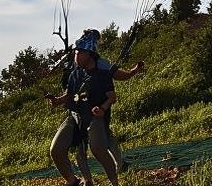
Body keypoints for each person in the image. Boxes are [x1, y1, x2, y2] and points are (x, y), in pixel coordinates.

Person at [65, 30, 145, 183]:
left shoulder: (101, 63)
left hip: (99, 109)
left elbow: (120, 75)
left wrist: (133, 71)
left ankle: (117, 167)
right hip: (81, 109)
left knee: (102, 141)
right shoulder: (80, 59)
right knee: (83, 145)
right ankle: (89, 180)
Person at [46, 44, 120, 186]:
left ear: (89, 54)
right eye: (75, 54)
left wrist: (103, 108)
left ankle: (115, 182)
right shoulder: (75, 74)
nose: (76, 57)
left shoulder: (102, 74)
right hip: (75, 115)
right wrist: (57, 101)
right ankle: (73, 181)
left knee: (98, 148)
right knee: (56, 149)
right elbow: (70, 95)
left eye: (79, 54)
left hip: (95, 117)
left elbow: (112, 97)